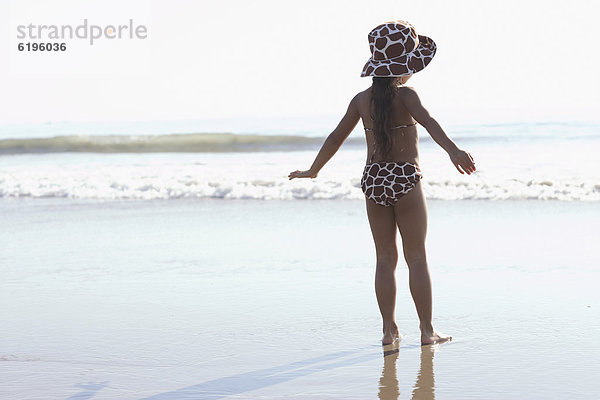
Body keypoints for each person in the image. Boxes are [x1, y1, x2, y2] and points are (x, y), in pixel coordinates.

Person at [288, 20, 476, 345]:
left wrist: (313, 169)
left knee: (385, 259)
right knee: (416, 256)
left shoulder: (361, 100)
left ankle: (389, 331)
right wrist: (454, 151)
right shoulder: (407, 96)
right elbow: (429, 123)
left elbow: (335, 137)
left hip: (373, 181)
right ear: (405, 66)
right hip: (404, 177)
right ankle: (427, 331)